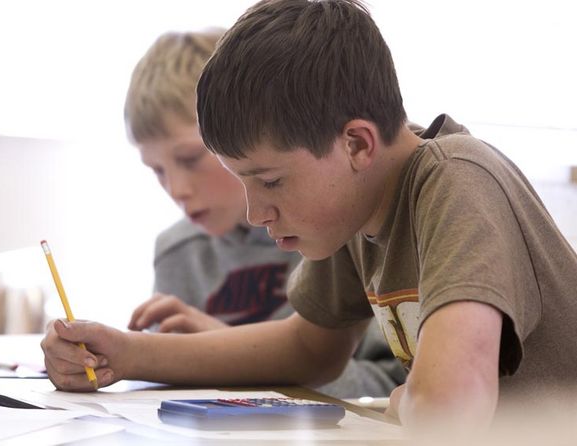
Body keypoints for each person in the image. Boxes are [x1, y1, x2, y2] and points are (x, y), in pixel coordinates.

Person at [41, 0, 577, 435]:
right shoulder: (355, 205)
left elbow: (449, 409)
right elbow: (307, 350)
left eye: (271, 181)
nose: (255, 212)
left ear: (357, 144)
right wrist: (127, 354)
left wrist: (420, 399)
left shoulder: (457, 179)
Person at [123, 29, 404, 398]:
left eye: (190, 159)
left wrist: (226, 353)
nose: (176, 189)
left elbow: (392, 386)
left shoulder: (333, 227)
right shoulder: (177, 251)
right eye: (156, 170)